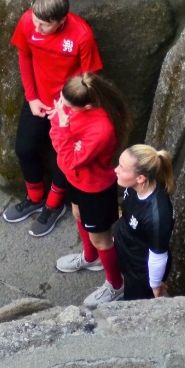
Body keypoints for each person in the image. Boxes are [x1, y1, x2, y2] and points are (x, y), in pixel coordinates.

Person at [3, 0, 103, 237]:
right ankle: (34, 197)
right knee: (24, 148)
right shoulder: (28, 21)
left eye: (44, 25)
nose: (37, 28)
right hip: (38, 101)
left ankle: (54, 205)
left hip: (68, 108)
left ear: (61, 20)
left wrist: (67, 109)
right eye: (35, 21)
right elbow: (24, 56)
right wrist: (31, 98)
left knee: (63, 158)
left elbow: (89, 79)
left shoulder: (81, 35)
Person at [51, 73, 132, 307]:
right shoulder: (73, 109)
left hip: (95, 189)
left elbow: (68, 160)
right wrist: (61, 127)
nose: (62, 107)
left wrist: (63, 129)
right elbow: (57, 140)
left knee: (102, 239)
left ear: (86, 106)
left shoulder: (102, 129)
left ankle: (116, 285)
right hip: (76, 180)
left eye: (67, 105)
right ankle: (90, 257)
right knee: (77, 214)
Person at [112, 144, 175, 301]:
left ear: (140, 178)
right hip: (126, 248)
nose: (115, 170)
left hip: (141, 268)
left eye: (122, 168)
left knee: (134, 301)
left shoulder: (157, 216)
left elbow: (158, 257)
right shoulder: (132, 186)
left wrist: (155, 285)